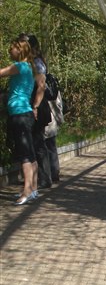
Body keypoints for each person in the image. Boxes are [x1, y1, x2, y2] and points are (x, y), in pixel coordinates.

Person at [0, 38, 39, 204]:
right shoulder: (28, 67)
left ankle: (26, 192)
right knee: (30, 153)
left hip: (20, 114)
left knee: (25, 155)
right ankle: (33, 189)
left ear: (20, 50)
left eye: (13, 48)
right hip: (25, 114)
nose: (10, 50)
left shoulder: (20, 66)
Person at [18, 34, 52, 189]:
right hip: (32, 105)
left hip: (37, 106)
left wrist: (35, 106)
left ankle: (44, 177)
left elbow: (41, 86)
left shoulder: (37, 63)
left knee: (38, 142)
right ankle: (37, 178)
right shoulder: (30, 63)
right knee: (35, 142)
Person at [44, 89, 64, 182]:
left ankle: (47, 175)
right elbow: (58, 105)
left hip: (43, 120)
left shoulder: (39, 84)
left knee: (43, 148)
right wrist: (60, 120)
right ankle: (54, 173)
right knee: (51, 148)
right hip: (51, 121)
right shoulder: (53, 86)